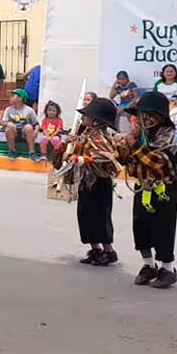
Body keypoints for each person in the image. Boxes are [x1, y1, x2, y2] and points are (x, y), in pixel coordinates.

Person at [115, 92, 177, 288]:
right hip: (143, 186)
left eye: (144, 114)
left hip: (164, 189)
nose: (139, 119)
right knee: (140, 226)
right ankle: (148, 265)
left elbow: (156, 162)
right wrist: (124, 145)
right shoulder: (143, 134)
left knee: (163, 228)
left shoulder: (169, 134)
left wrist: (134, 145)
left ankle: (167, 269)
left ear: (156, 116)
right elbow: (123, 160)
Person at [59, 97, 120, 267]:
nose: (83, 117)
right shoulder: (85, 134)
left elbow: (106, 156)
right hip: (86, 181)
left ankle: (108, 251)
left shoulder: (101, 137)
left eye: (87, 115)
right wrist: (68, 145)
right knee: (85, 215)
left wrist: (83, 159)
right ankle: (95, 249)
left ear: (96, 120)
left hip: (99, 182)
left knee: (99, 217)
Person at [2, 88, 40, 161]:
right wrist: (9, 124)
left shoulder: (29, 110)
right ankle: (12, 151)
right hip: (13, 134)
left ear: (20, 98)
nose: (10, 98)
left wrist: (36, 131)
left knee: (29, 127)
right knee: (9, 126)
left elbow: (36, 123)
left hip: (25, 134)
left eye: (13, 96)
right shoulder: (8, 109)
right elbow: (3, 122)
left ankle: (32, 152)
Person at [109, 70, 139, 135]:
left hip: (132, 104)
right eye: (119, 79)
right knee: (115, 112)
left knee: (127, 113)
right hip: (122, 105)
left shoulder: (132, 84)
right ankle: (116, 130)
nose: (121, 81)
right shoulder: (119, 87)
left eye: (123, 79)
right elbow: (111, 96)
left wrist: (128, 105)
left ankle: (134, 131)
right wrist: (114, 84)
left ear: (127, 78)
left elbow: (136, 97)